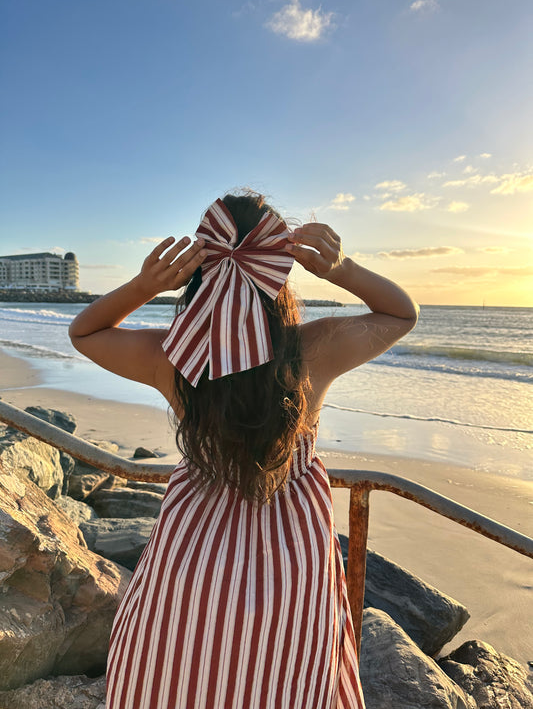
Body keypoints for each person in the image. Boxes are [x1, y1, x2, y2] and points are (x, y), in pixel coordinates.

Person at [69, 191, 419, 709]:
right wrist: (341, 269)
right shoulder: (312, 349)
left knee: (181, 660)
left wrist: (146, 286)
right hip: (293, 540)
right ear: (279, 270)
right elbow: (401, 314)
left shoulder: (172, 355)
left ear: (198, 272)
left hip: (195, 538)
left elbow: (86, 331)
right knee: (287, 670)